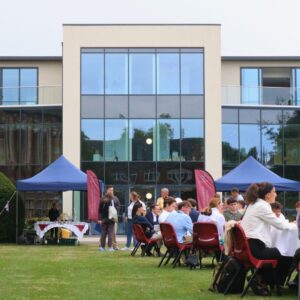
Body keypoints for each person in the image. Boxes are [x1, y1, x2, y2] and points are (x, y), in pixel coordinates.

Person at [241, 182, 296, 295]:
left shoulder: (254, 204)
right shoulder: (262, 205)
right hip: (256, 248)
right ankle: (266, 281)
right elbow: (279, 225)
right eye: (274, 192)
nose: (276, 194)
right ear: (267, 195)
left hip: (251, 246)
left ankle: (262, 279)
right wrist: (294, 225)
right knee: (286, 254)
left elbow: (274, 222)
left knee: (281, 252)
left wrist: (289, 224)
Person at [106, 185, 120, 250]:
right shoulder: (104, 198)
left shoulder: (115, 198)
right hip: (106, 217)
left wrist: (115, 211)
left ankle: (114, 245)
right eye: (110, 190)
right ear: (107, 190)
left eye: (112, 190)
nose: (112, 191)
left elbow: (118, 206)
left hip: (114, 217)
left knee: (114, 232)